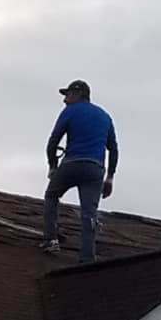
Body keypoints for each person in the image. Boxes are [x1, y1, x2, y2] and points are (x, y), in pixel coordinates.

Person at [40, 79, 118, 263]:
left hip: (72, 163)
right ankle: (87, 257)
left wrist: (53, 166)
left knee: (51, 195)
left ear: (78, 94)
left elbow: (53, 141)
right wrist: (110, 177)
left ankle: (51, 239)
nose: (65, 99)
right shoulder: (105, 116)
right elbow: (113, 149)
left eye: (67, 95)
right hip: (95, 169)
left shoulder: (70, 111)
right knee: (89, 213)